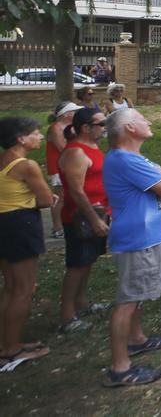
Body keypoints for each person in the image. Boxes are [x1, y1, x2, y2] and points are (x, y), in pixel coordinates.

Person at [102, 109, 161, 387]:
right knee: (128, 300)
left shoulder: (132, 158)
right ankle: (120, 368)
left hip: (149, 236)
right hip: (137, 239)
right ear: (130, 128)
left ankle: (137, 339)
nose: (150, 121)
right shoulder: (124, 159)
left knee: (138, 296)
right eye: (143, 119)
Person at [0, 117, 56, 369]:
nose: (40, 137)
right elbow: (45, 200)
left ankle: (7, 343)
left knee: (10, 287)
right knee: (24, 289)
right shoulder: (26, 165)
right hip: (21, 225)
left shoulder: (4, 160)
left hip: (4, 223)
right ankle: (11, 350)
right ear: (21, 139)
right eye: (35, 134)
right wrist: (48, 196)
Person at [57, 109, 111, 333]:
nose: (105, 127)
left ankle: (81, 302)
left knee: (87, 261)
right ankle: (67, 316)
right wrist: (94, 220)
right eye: (101, 124)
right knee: (77, 265)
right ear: (86, 128)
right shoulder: (76, 152)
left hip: (98, 213)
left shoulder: (93, 147)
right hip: (81, 217)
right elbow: (76, 192)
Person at [46, 101, 81, 239]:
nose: (76, 114)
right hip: (58, 167)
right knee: (60, 197)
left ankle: (68, 222)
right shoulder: (56, 127)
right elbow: (63, 148)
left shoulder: (71, 127)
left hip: (70, 165)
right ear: (66, 114)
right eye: (74, 111)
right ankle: (57, 227)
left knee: (71, 196)